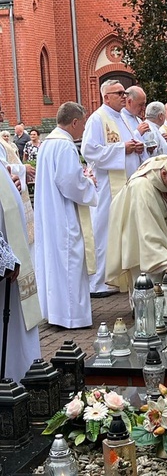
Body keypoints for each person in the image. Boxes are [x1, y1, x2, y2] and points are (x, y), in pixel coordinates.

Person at [105, 139, 167, 296]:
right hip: (143, 250)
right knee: (149, 293)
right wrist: (163, 263)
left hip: (162, 242)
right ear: (164, 174)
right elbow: (147, 232)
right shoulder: (142, 188)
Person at [34, 102, 98, 329]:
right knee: (70, 261)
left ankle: (55, 312)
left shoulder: (47, 143)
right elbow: (71, 183)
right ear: (74, 122)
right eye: (82, 124)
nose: (83, 129)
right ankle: (72, 316)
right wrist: (89, 182)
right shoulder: (65, 146)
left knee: (54, 263)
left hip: (49, 213)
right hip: (63, 215)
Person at [81, 79, 147, 297]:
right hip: (108, 187)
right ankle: (99, 282)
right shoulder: (97, 119)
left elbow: (130, 142)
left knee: (122, 231)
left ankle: (118, 277)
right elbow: (89, 150)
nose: (123, 95)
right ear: (106, 97)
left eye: (124, 92)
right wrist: (123, 149)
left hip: (126, 184)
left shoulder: (124, 119)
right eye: (118, 93)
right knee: (103, 231)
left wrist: (137, 145)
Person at [0, 162, 41, 382]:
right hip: (5, 263)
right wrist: (3, 255)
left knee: (17, 330)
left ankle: (19, 381)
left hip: (12, 267)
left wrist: (10, 181)